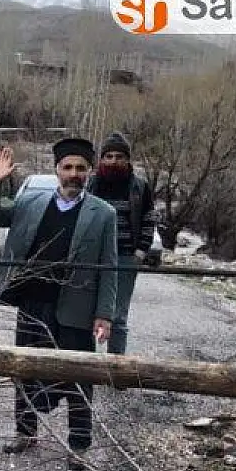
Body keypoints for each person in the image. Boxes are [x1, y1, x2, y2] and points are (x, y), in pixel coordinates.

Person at [0, 138, 117, 470]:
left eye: (80, 168)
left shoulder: (104, 214)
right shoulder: (31, 201)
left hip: (76, 311)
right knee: (24, 370)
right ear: (56, 170)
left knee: (78, 377)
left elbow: (110, 268)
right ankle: (25, 432)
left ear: (90, 172)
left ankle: (78, 444)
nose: (73, 174)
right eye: (67, 167)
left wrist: (104, 314)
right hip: (32, 305)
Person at [86, 132, 156, 356]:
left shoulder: (139, 187)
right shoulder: (92, 184)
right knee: (85, 309)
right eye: (108, 156)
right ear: (101, 159)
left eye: (118, 156)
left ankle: (116, 368)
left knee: (118, 315)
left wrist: (141, 251)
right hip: (94, 256)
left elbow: (148, 219)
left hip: (126, 256)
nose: (113, 161)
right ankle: (81, 364)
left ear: (127, 159)